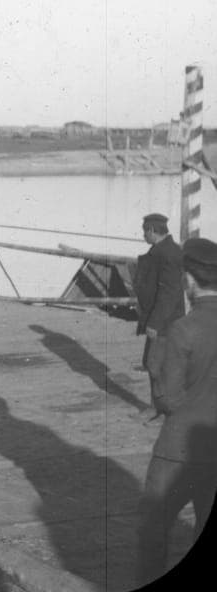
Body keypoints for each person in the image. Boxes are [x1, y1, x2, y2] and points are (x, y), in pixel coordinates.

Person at [136, 237, 217, 586]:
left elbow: (168, 397)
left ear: (189, 280)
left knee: (152, 531)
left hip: (177, 450)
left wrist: (161, 404)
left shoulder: (184, 329)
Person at [132, 213, 185, 420]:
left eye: (144, 231)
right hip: (158, 319)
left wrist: (154, 323)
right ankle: (157, 408)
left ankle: (168, 411)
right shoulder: (160, 250)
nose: (143, 235)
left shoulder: (169, 254)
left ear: (152, 231)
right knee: (153, 363)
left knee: (158, 366)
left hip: (165, 322)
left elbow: (169, 293)